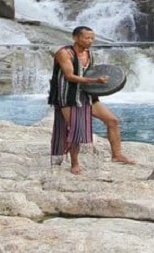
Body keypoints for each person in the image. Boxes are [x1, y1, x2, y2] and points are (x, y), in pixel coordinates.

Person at [49, 26, 134, 175]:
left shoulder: (90, 54)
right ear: (75, 38)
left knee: (112, 121)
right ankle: (74, 163)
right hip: (68, 96)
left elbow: (93, 71)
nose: (90, 41)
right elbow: (69, 76)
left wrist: (101, 83)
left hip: (87, 95)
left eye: (92, 38)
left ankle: (117, 155)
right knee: (75, 129)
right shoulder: (64, 53)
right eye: (86, 38)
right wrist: (95, 80)